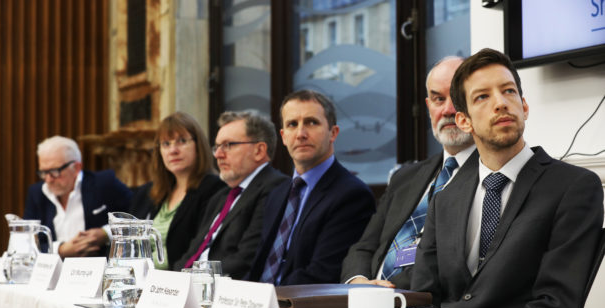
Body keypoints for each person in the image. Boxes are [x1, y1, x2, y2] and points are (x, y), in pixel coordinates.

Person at [411, 48, 604, 308]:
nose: (500, 103)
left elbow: (557, 307)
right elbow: (423, 298)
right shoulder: (444, 199)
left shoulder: (573, 187)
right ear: (464, 121)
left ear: (524, 107)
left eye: (509, 91)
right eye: (482, 97)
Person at [341, 57, 476, 289]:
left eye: (457, 98)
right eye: (438, 99)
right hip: (367, 304)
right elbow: (363, 247)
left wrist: (384, 292)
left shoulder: (490, 176)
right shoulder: (405, 177)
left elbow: (449, 263)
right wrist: (360, 283)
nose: (447, 110)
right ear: (427, 106)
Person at [246, 90, 376, 285]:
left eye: (311, 122)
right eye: (292, 125)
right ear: (283, 136)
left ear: (333, 133)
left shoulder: (352, 196)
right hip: (261, 306)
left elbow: (322, 275)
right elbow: (258, 266)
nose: (301, 134)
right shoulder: (277, 194)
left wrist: (266, 299)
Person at [172, 111, 288, 278]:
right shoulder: (221, 196)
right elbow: (192, 252)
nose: (218, 155)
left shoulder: (275, 188)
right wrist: (172, 281)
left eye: (228, 145)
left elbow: (247, 258)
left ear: (259, 150)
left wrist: (192, 278)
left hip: (227, 290)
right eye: (217, 147)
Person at [129, 112, 226, 270]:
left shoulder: (214, 188)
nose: (173, 150)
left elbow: (201, 250)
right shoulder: (151, 192)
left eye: (181, 141)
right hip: (143, 281)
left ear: (198, 145)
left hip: (178, 284)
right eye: (166, 144)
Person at [24, 136, 132, 257]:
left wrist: (105, 233)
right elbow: (26, 241)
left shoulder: (104, 183)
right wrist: (60, 249)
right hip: (54, 270)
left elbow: (136, 217)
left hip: (98, 268)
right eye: (43, 172)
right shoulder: (37, 193)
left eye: (54, 171)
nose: (48, 179)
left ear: (76, 167)